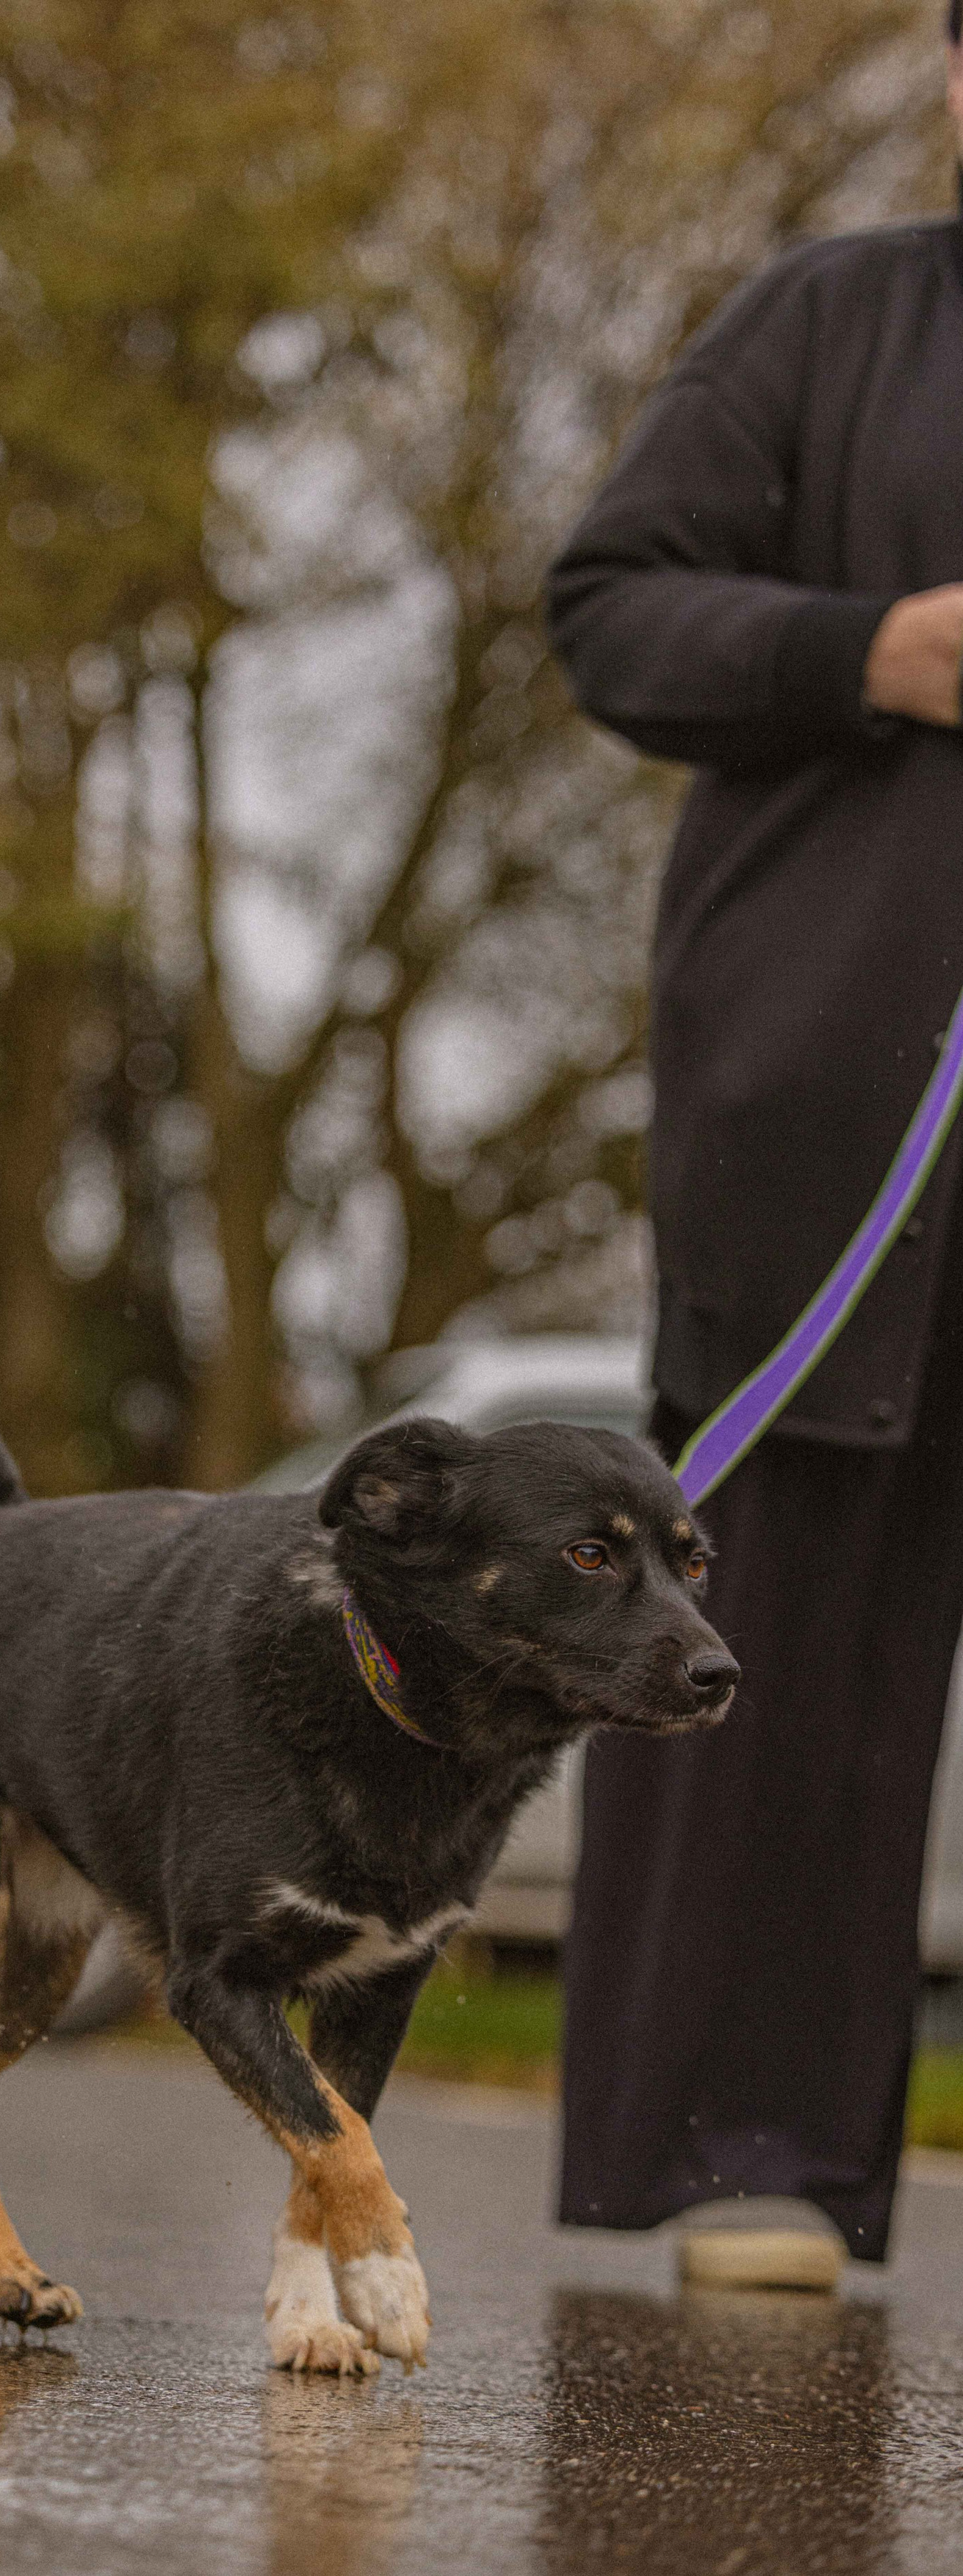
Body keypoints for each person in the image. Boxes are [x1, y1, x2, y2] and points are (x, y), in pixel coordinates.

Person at [544, 7, 963, 2272]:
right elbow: (607, 610)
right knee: (781, 1628)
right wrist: (866, 653)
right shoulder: (833, 319)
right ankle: (746, 2161)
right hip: (830, 1125)